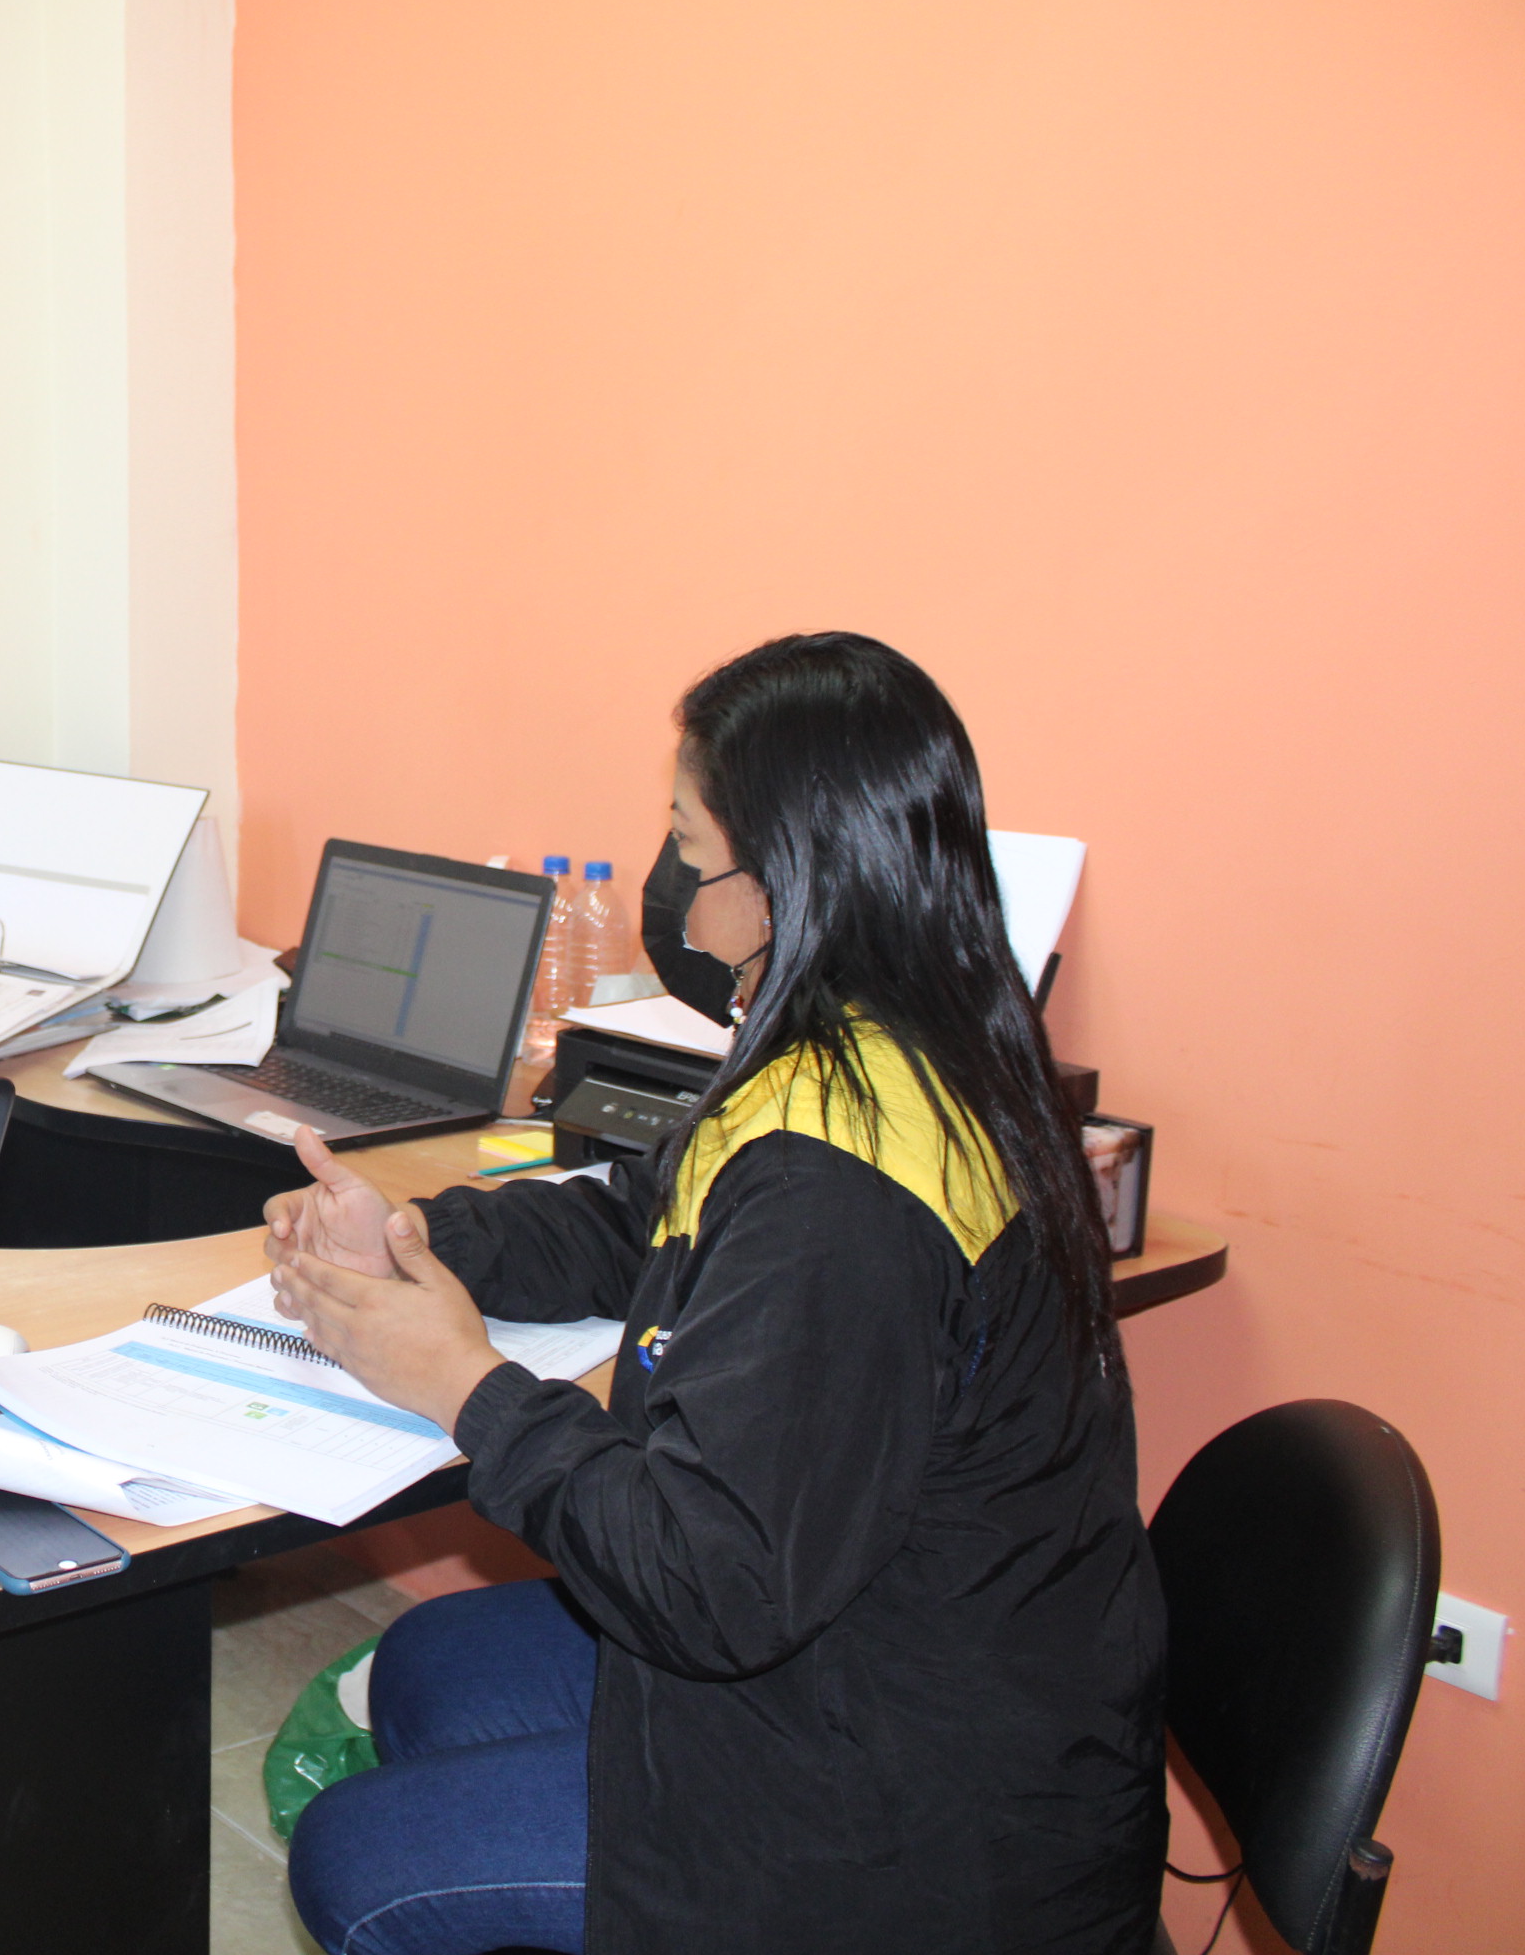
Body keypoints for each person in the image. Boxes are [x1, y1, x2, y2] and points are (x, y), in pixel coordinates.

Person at [267, 633, 1164, 1954]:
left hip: (918, 1821)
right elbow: (653, 1215)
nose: (681, 905)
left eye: (692, 851)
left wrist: (464, 1384)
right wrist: (423, 1236)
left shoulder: (843, 1193)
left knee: (364, 1858)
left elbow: (706, 1581)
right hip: (877, 1646)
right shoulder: (900, 1032)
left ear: (790, 874)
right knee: (429, 1664)